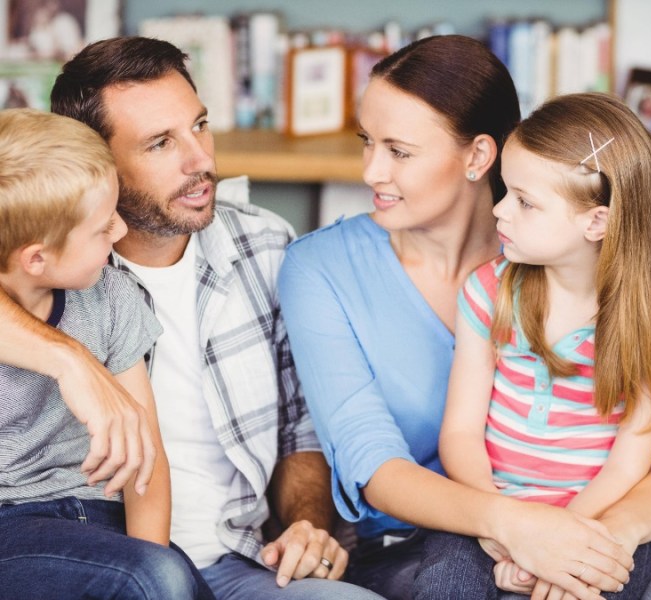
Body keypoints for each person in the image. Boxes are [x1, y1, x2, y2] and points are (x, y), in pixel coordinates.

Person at [278, 35, 651, 600]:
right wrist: (515, 529)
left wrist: (596, 540)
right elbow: (373, 466)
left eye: (399, 151)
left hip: (594, 527)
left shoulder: (558, 260)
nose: (371, 172)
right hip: (424, 542)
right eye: (367, 142)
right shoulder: (319, 268)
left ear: (479, 156)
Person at [0, 36, 381, 600]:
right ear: (95, 160)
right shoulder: (61, 262)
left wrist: (309, 524)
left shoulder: (266, 245)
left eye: (199, 125)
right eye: (160, 143)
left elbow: (302, 425)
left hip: (238, 561)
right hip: (77, 552)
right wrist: (71, 360)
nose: (201, 159)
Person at [415, 92, 651, 600]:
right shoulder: (489, 291)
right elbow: (459, 433)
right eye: (507, 190)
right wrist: (503, 533)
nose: (500, 211)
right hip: (491, 510)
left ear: (596, 222)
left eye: (526, 201)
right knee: (444, 585)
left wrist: (560, 540)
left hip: (598, 519)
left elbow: (628, 467)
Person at [0, 108, 213, 599]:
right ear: (36, 258)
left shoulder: (111, 298)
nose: (120, 232)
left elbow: (146, 458)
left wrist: (154, 559)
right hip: (13, 529)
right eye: (101, 228)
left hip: (106, 522)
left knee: (166, 578)